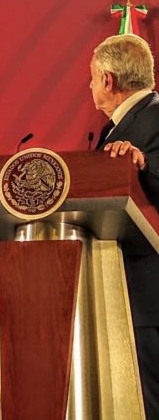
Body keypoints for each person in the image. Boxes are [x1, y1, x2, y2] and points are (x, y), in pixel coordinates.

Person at [91, 33, 159, 418]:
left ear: (108, 80)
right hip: (127, 292)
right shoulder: (115, 128)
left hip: (149, 296)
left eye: (91, 78)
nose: (89, 87)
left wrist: (144, 164)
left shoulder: (154, 115)